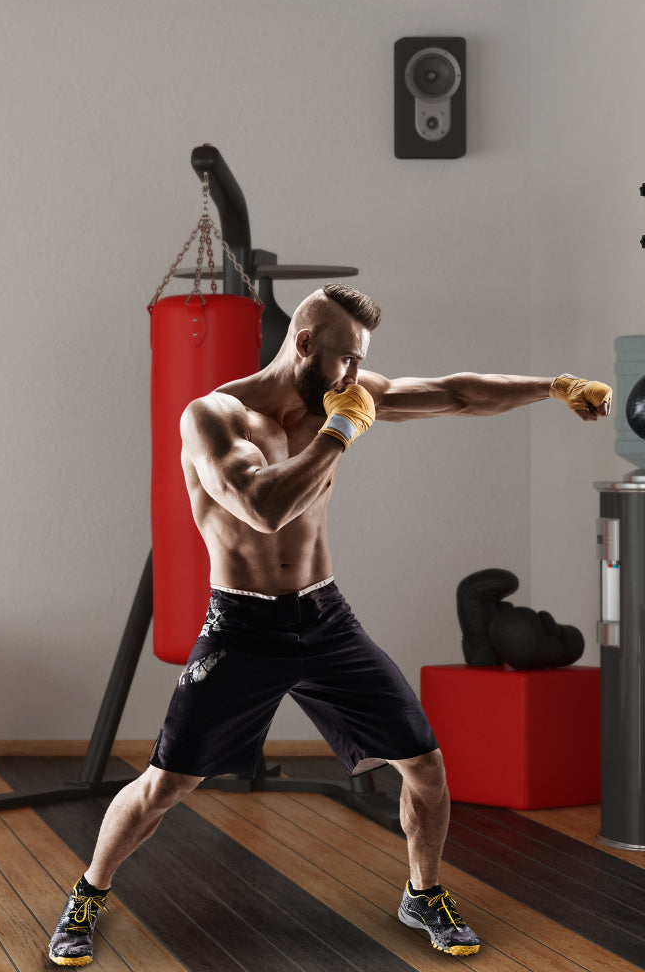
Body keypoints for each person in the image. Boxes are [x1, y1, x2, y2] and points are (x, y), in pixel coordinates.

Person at [48, 283, 611, 966]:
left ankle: (423, 893)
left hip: (323, 616)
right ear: (306, 343)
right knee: (165, 785)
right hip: (241, 626)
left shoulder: (341, 395)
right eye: (346, 358)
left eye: (361, 361)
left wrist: (555, 387)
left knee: (425, 767)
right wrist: (340, 433)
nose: (354, 375)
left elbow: (455, 393)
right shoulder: (215, 416)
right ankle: (88, 894)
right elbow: (264, 508)